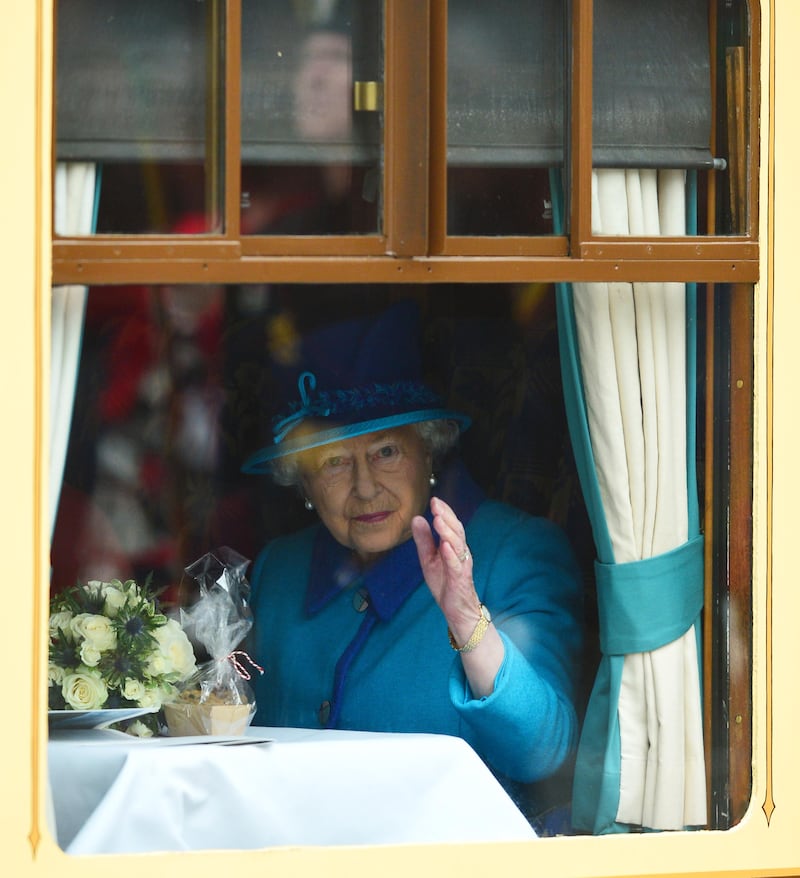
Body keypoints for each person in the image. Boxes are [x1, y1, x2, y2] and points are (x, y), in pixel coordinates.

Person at [241, 300, 583, 816]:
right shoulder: (278, 570)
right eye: (333, 462)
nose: (364, 487)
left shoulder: (513, 552)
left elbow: (544, 751)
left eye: (386, 452)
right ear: (303, 483)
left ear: (429, 451)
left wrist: (468, 620)